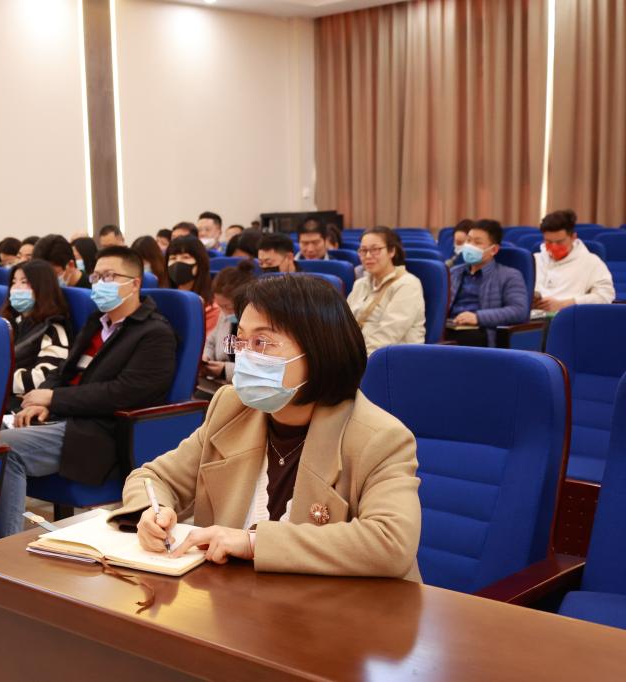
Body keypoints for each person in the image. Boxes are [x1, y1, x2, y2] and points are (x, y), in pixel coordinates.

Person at [108, 275, 421, 579]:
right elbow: (153, 478)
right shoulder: (232, 407)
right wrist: (153, 512)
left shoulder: (380, 437)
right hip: (234, 601)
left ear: (320, 352)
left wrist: (252, 543)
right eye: (241, 340)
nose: (245, 356)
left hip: (336, 608)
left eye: (262, 342)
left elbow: (391, 542)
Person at [0, 246, 176, 537]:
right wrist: (43, 401)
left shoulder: (154, 333)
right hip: (66, 417)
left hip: (99, 430)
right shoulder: (97, 322)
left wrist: (54, 399)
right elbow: (64, 370)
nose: (100, 283)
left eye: (109, 276)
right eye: (96, 277)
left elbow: (124, 392)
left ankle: (5, 548)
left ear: (134, 284)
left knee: (3, 449)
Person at [0, 260, 73, 406]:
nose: (15, 288)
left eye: (24, 282)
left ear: (42, 288)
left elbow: (45, 377)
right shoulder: (14, 322)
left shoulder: (52, 329)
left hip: (22, 402)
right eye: (14, 282)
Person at [448, 220, 529, 347]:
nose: (470, 246)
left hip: (480, 332)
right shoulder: (453, 272)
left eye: (477, 243)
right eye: (468, 241)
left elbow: (519, 311)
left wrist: (478, 317)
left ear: (494, 250)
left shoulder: (509, 275)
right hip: (450, 326)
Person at [347, 226, 425, 353]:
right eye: (363, 250)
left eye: (375, 250)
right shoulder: (360, 284)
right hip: (358, 353)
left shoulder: (408, 284)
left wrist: (354, 357)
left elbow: (388, 335)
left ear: (391, 251)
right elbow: (345, 323)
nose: (368, 256)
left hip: (392, 357)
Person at [195, 261, 256, 398]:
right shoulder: (224, 316)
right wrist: (206, 357)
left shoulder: (259, 324)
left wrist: (224, 370)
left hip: (245, 389)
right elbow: (211, 341)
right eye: (220, 306)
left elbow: (258, 369)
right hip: (219, 384)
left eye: (228, 307)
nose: (224, 312)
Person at [534, 209, 615, 311]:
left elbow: (605, 296)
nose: (554, 247)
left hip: (570, 316)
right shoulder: (534, 260)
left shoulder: (591, 262)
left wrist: (565, 304)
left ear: (573, 237)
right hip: (533, 317)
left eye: (559, 242)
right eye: (549, 242)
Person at [166, 236, 219, 334]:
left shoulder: (212, 306)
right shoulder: (163, 299)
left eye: (186, 257)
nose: (177, 262)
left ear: (200, 263)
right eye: (173, 258)